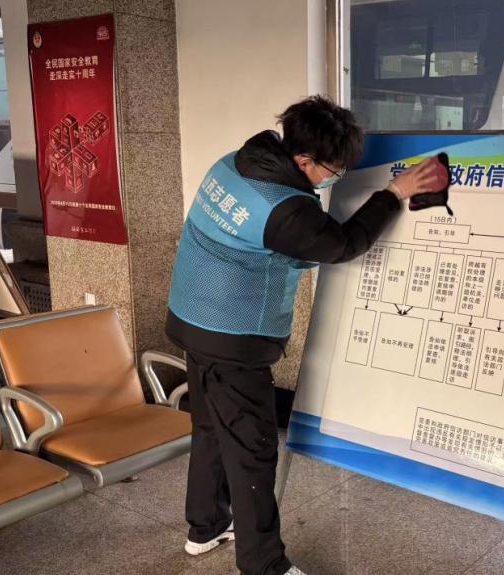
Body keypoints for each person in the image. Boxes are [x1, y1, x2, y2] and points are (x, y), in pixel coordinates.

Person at [165, 95, 443, 575]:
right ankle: (263, 564)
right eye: (333, 171)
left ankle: (206, 526)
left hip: (190, 316)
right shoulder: (284, 209)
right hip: (232, 335)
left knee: (210, 427)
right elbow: (344, 243)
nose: (335, 178)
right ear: (302, 160)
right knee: (252, 451)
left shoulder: (236, 162)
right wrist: (393, 192)